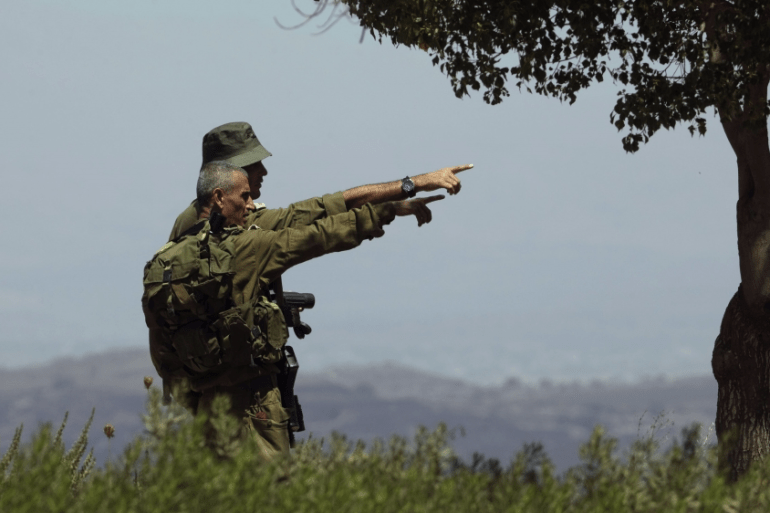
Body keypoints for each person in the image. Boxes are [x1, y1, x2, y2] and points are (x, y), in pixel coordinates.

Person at [173, 160, 446, 461]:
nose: (251, 206)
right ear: (219, 197)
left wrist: (198, 398)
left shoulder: (168, 259)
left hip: (206, 407)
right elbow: (318, 235)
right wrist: (386, 210)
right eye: (245, 196)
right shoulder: (247, 246)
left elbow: (163, 346)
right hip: (253, 403)